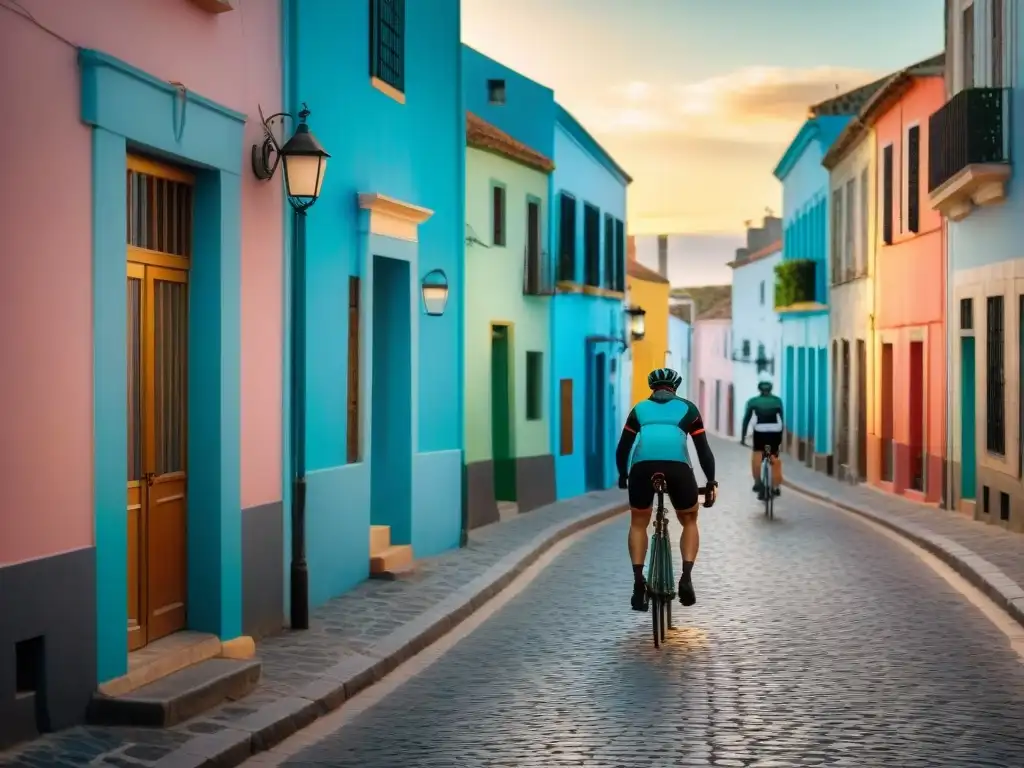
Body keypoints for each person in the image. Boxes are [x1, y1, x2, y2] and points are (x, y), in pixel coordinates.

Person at [616, 367, 718, 613]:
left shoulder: (638, 410)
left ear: (652, 387)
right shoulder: (688, 409)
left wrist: (623, 475)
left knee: (638, 522)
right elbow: (703, 451)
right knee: (689, 519)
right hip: (677, 468)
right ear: (675, 387)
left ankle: (638, 583)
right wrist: (711, 481)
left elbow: (623, 448)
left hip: (642, 468)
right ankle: (686, 577)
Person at [739, 379, 785, 500]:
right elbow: (782, 419)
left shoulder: (753, 401)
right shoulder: (777, 401)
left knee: (757, 454)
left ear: (759, 389)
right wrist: (781, 438)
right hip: (775, 431)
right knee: (774, 455)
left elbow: (746, 420)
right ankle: (775, 485)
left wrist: (743, 438)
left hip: (760, 431)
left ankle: (758, 482)